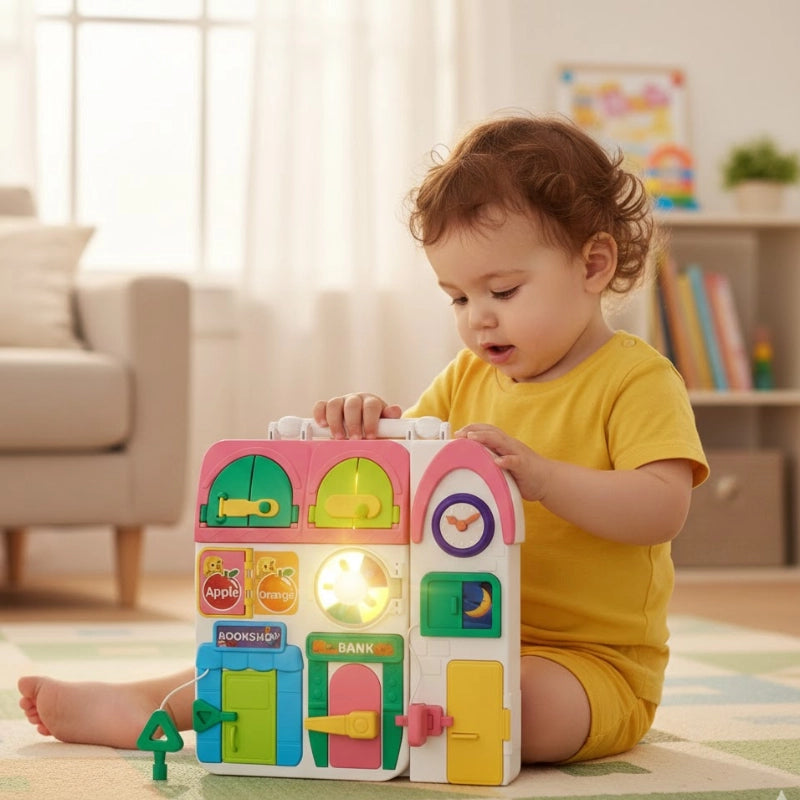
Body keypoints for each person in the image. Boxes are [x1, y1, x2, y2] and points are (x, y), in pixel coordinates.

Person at [18, 112, 707, 764]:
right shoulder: (468, 376)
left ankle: (368, 722)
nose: (478, 319)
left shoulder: (636, 379)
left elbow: (661, 507)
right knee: (301, 643)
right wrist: (368, 430)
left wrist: (546, 478)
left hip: (585, 665)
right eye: (459, 297)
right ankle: (157, 703)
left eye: (502, 290)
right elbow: (404, 478)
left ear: (592, 266)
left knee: (502, 703)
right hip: (441, 629)